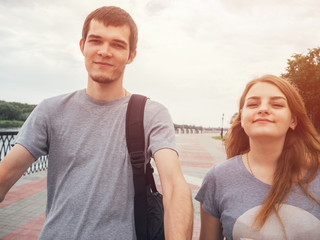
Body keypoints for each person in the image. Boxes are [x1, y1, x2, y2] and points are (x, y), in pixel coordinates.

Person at [0, 6, 193, 240]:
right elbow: (6, 173)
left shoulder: (151, 114)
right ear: (82, 46)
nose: (104, 51)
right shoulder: (50, 111)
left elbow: (173, 186)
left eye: (117, 44)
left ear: (131, 55)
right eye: (96, 41)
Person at [196, 75, 320, 240]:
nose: (263, 109)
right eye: (253, 104)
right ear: (241, 118)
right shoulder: (217, 178)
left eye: (277, 104)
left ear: (293, 120)